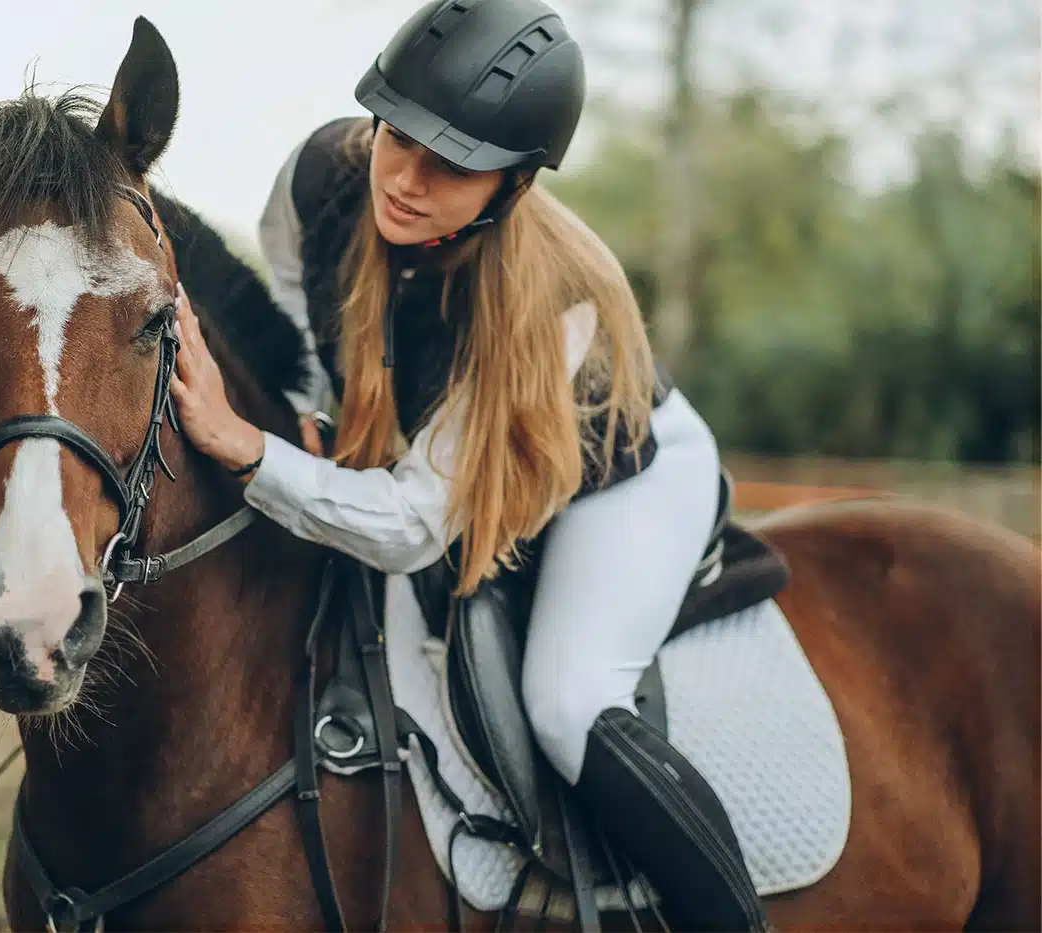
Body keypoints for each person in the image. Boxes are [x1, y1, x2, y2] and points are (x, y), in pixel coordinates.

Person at [168, 1, 769, 929]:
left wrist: (251, 449)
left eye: (455, 165)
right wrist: (313, 416)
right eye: (398, 137)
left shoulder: (546, 305)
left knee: (569, 700)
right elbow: (296, 288)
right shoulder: (323, 175)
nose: (406, 181)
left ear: (515, 186)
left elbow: (411, 528)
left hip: (619, 479)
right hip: (442, 449)